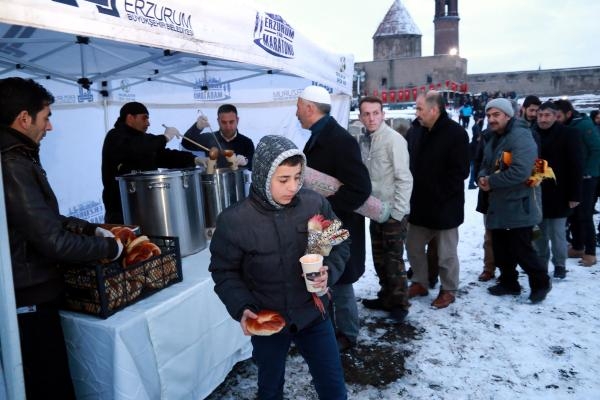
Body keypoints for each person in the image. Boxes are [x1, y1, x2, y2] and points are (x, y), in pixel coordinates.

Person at [0, 77, 123, 399]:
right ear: (24, 119)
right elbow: (52, 241)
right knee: (48, 381)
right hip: (28, 294)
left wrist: (86, 227)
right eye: (46, 117)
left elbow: (40, 218)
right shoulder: (12, 162)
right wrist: (110, 247)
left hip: (32, 288)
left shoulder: (18, 155)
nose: (50, 127)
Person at [209, 135, 349, 400]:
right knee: (270, 390)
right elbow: (224, 271)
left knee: (333, 388)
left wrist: (329, 270)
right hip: (268, 319)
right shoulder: (235, 221)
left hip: (312, 313)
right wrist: (242, 306)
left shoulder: (314, 203)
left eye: (298, 177)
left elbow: (339, 242)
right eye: (283, 180)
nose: (293, 187)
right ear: (263, 176)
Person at [296, 85, 371, 352]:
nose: (296, 113)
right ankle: (329, 328)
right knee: (327, 278)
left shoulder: (340, 140)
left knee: (340, 281)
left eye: (298, 107)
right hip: (325, 224)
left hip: (339, 224)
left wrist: (328, 209)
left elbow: (361, 188)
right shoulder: (320, 136)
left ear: (309, 107)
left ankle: (348, 334)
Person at [478, 98, 552, 303]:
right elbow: (485, 163)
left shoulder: (520, 136)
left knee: (522, 250)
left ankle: (541, 283)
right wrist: (482, 176)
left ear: (508, 116)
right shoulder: (494, 136)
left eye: (496, 115)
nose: (492, 119)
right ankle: (509, 282)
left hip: (519, 204)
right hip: (499, 204)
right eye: (489, 115)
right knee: (501, 249)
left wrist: (491, 181)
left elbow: (521, 171)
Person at [405, 91, 470, 309]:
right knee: (413, 246)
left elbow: (459, 172)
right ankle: (420, 282)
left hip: (445, 206)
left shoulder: (456, 134)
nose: (417, 113)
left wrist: (438, 193)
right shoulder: (415, 130)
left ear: (435, 110)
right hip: (419, 205)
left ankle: (449, 289)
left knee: (446, 255)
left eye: (420, 109)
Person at [357, 96, 413, 323]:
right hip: (375, 210)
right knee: (379, 258)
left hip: (394, 211)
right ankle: (386, 296)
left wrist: (398, 213)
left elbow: (404, 178)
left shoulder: (394, 140)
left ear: (383, 115)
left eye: (375, 113)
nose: (371, 118)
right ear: (361, 116)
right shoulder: (366, 140)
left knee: (393, 259)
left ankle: (400, 303)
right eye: (366, 114)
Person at [101, 101, 202, 223]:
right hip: (121, 208)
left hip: (147, 205)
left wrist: (193, 159)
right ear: (130, 118)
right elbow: (136, 148)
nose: (148, 123)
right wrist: (164, 138)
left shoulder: (144, 139)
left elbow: (163, 156)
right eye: (144, 118)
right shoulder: (115, 136)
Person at [532, 101, 583, 279]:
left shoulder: (569, 134)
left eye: (547, 115)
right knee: (539, 233)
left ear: (555, 116)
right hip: (537, 192)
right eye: (540, 115)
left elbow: (576, 166)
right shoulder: (532, 132)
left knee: (557, 233)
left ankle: (560, 264)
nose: (543, 119)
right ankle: (541, 264)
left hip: (560, 192)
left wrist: (575, 194)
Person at [554, 99, 600, 266]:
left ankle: (590, 252)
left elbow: (597, 149)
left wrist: (587, 172)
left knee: (585, 214)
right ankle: (578, 246)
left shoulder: (583, 126)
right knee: (573, 213)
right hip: (572, 177)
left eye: (558, 116)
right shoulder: (565, 127)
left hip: (587, 178)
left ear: (568, 114)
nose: (555, 119)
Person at [182, 104, 255, 170]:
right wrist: (197, 127)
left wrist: (246, 161)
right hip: (213, 182)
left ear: (237, 120)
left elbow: (254, 166)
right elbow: (186, 143)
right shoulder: (209, 138)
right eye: (224, 122)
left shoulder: (246, 142)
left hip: (238, 183)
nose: (228, 127)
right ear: (218, 121)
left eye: (231, 122)